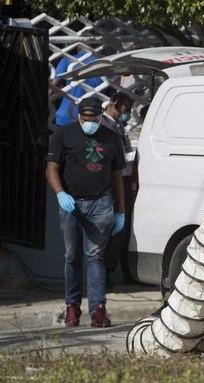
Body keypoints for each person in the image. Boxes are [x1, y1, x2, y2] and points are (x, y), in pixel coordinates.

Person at [46, 96, 126, 327]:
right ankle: (72, 307)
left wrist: (121, 210)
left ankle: (98, 309)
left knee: (94, 257)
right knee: (72, 256)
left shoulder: (111, 137)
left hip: (101, 204)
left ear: (101, 116)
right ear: (79, 116)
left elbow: (117, 174)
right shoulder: (63, 134)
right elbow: (52, 167)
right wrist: (60, 193)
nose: (89, 122)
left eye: (94, 119)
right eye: (85, 118)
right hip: (72, 203)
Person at [101, 92, 136, 284]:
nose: (127, 113)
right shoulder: (104, 125)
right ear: (115, 103)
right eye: (126, 108)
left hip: (123, 178)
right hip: (111, 183)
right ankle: (105, 271)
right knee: (112, 231)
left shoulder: (117, 125)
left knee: (122, 231)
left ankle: (124, 271)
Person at [51, 50, 103, 126]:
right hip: (90, 119)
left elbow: (53, 86)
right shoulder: (105, 64)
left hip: (65, 116)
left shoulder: (67, 60)